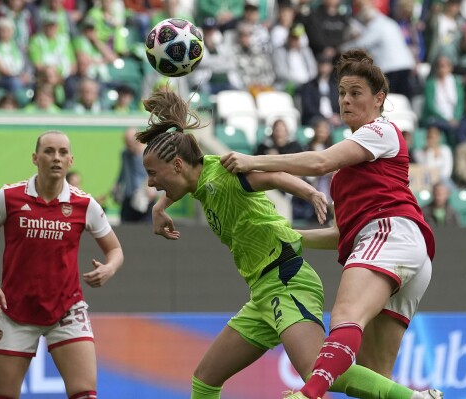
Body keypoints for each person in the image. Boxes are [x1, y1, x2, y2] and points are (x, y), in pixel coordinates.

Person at [141, 88, 442, 399]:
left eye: (153, 174)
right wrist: (158, 208)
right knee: (205, 379)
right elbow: (176, 187)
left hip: (286, 281)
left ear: (177, 165)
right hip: (262, 294)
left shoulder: (224, 175)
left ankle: (415, 398)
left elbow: (272, 177)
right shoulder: (201, 182)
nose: (151, 182)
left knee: (321, 372)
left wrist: (309, 193)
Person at [220, 49, 441, 399]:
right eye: (342, 93)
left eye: (356, 93)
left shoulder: (380, 130)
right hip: (405, 250)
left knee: (345, 315)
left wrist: (252, 161)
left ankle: (309, 394)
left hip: (391, 232)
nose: (346, 100)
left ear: (379, 98)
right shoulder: (346, 173)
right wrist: (293, 237)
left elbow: (320, 160)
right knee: (373, 377)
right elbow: (342, 234)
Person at [0, 130, 124, 399]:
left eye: (63, 152)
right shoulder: (7, 198)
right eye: (49, 151)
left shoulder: (84, 204)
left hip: (67, 311)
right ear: (35, 157)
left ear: (70, 159)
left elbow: (115, 250)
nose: (56, 158)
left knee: (85, 394)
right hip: (15, 312)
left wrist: (109, 268)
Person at [112, 126, 157, 223]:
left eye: (130, 144)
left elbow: (158, 175)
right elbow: (123, 171)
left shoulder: (149, 154)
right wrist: (117, 185)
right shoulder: (125, 154)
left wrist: (153, 190)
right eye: (127, 144)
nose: (129, 147)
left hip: (145, 198)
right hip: (129, 198)